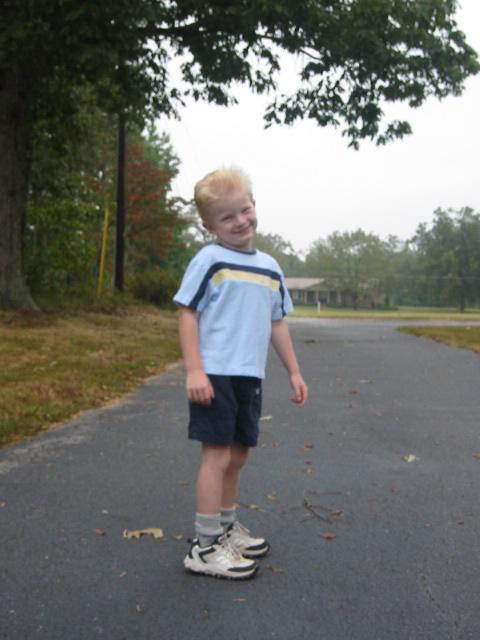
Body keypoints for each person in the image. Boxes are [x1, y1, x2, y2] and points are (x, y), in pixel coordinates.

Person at [173, 167, 308, 579]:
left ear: (254, 207)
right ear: (209, 225)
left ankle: (226, 527)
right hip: (214, 374)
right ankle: (206, 545)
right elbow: (188, 314)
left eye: (244, 210)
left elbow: (276, 324)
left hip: (249, 376)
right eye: (227, 217)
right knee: (216, 456)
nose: (239, 221)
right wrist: (194, 370)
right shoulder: (209, 260)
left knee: (238, 455)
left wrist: (295, 372)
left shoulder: (269, 267)